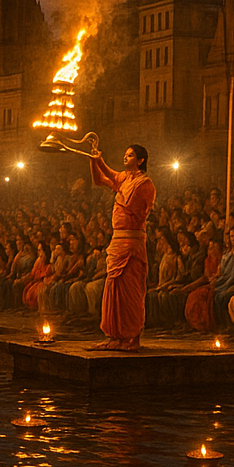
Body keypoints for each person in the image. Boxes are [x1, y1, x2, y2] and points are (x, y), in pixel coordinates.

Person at [88, 144, 156, 351]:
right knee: (113, 289)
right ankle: (115, 336)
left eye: (130, 155)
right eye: (125, 154)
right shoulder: (124, 179)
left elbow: (136, 208)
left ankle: (132, 338)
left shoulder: (144, 183)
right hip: (117, 242)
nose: (125, 157)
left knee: (131, 292)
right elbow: (100, 179)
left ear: (140, 160)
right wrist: (94, 160)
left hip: (132, 242)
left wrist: (101, 162)